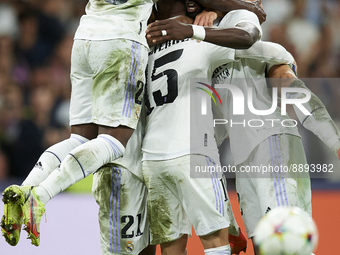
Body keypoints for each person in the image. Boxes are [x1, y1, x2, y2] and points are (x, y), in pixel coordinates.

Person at [143, 1, 295, 254]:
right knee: (217, 244)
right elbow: (252, 43)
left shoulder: (146, 51)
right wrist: (283, 62)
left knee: (171, 246)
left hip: (152, 158)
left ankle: (231, 225)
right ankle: (230, 227)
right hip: (193, 153)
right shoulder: (202, 45)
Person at [1, 0, 154, 246]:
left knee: (80, 139)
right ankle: (39, 196)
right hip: (122, 36)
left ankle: (25, 189)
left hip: (85, 35)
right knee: (116, 141)